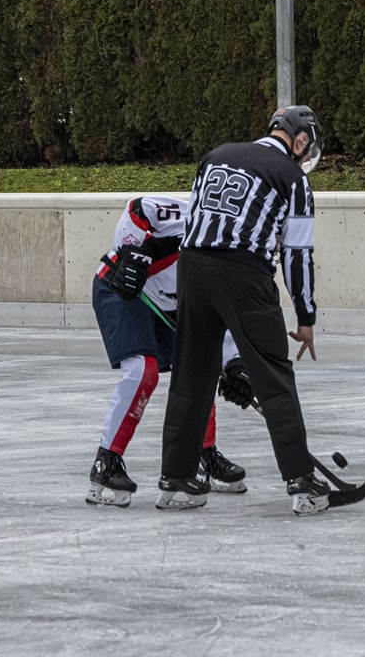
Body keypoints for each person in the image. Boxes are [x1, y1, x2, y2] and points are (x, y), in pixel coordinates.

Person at [158, 105, 332, 516]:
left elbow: (195, 217)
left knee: (191, 374)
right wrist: (306, 317)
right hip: (245, 272)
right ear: (300, 139)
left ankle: (177, 479)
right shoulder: (291, 178)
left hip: (193, 268)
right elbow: (297, 255)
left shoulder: (215, 155)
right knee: (273, 375)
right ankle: (301, 479)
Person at [87, 195, 251, 508]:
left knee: (201, 367)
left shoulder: (235, 263)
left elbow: (222, 320)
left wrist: (234, 365)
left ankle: (203, 454)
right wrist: (130, 251)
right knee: (141, 372)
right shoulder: (188, 215)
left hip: (172, 304)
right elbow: (138, 208)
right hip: (123, 288)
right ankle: (106, 462)